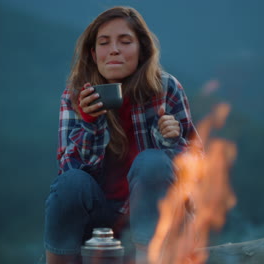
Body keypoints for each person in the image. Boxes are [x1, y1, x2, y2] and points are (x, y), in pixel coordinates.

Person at [44, 6, 202, 264]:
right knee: (70, 184)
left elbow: (199, 169)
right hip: (98, 229)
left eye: (125, 41)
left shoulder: (166, 88)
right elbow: (69, 170)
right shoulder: (74, 96)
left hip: (159, 223)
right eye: (104, 43)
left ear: (142, 50)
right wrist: (90, 123)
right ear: (94, 55)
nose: (114, 49)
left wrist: (173, 141)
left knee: (151, 162)